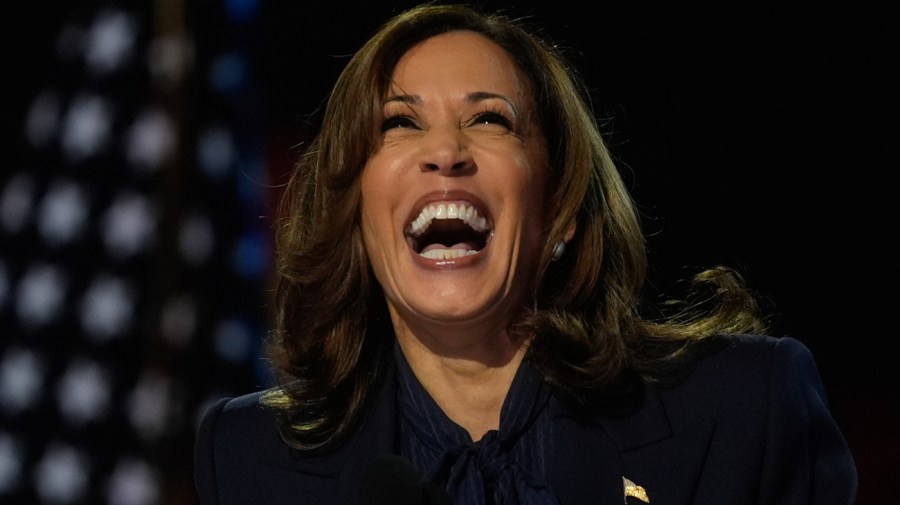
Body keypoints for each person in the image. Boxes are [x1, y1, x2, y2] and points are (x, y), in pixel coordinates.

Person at [193, 3, 858, 504]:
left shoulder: (745, 410)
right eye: (399, 123)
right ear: (354, 216)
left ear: (559, 208)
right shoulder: (251, 459)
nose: (445, 151)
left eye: (490, 119)